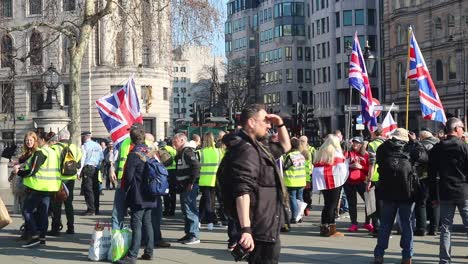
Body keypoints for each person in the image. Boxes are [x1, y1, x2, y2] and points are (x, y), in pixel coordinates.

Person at [218, 104, 291, 264]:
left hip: (267, 224)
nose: (268, 125)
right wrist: (246, 229)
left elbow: (285, 146)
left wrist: (280, 124)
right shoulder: (246, 150)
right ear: (251, 122)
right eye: (265, 121)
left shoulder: (259, 147)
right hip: (259, 227)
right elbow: (242, 191)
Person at [373, 128, 427, 264]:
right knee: (407, 224)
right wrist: (415, 142)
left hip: (387, 193)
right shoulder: (410, 148)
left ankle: (379, 255)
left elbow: (378, 162)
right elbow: (424, 157)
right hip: (407, 193)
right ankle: (407, 256)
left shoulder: (383, 148)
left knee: (385, 225)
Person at [428, 117, 468, 264]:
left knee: (445, 228)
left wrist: (433, 196)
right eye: (462, 127)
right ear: (456, 129)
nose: (463, 130)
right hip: (463, 191)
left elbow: (431, 175)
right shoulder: (463, 146)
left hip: (444, 192)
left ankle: (444, 260)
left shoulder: (437, 148)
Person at [13, 132, 61, 247]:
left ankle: (35, 235)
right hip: (50, 187)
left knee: (27, 210)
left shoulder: (41, 152)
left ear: (41, 141)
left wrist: (18, 172)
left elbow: (32, 171)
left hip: (39, 186)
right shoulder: (53, 152)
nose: (35, 142)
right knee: (43, 213)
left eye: (37, 140)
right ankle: (42, 238)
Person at [117, 126, 157, 264]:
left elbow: (128, 176)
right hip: (151, 192)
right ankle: (149, 251)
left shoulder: (134, 154)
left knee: (136, 223)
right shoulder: (151, 151)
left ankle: (132, 255)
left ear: (131, 139)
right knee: (148, 222)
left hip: (138, 193)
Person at [312, 135, 348, 237]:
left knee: (327, 204)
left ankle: (324, 227)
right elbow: (343, 168)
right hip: (334, 180)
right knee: (332, 205)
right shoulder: (337, 153)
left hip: (323, 181)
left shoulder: (321, 152)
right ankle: (332, 229)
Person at [49, 129, 83, 235]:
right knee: (69, 204)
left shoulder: (54, 148)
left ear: (59, 138)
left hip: (58, 180)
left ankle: (56, 228)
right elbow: (78, 164)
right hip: (71, 179)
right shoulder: (76, 148)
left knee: (56, 204)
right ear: (68, 137)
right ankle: (71, 227)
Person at [172, 132, 201, 245]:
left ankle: (194, 235)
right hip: (184, 185)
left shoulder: (187, 152)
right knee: (186, 210)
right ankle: (189, 233)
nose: (174, 145)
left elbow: (196, 166)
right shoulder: (182, 152)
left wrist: (191, 182)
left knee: (190, 209)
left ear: (182, 141)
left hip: (189, 186)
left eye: (176, 142)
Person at [344, 137, 373, 233]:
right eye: (354, 142)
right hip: (349, 182)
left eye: (357, 143)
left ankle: (367, 222)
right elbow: (341, 165)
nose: (355, 144)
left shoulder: (365, 155)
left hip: (361, 181)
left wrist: (361, 167)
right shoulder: (348, 153)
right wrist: (349, 166)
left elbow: (370, 169)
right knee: (352, 203)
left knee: (369, 202)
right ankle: (354, 223)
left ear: (361, 144)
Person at [414, 128, 439, 236]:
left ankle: (421, 229)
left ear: (422, 137)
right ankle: (434, 229)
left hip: (423, 176)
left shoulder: (420, 145)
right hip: (438, 177)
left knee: (421, 203)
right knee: (435, 203)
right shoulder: (440, 144)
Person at [198, 132, 222, 230]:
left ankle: (200, 220)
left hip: (203, 180)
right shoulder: (219, 152)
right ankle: (209, 221)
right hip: (215, 179)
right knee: (209, 201)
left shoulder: (200, 152)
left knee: (205, 200)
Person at [366, 125, 386, 236]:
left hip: (375, 177)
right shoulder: (386, 143)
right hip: (386, 177)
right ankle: (384, 228)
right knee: (382, 204)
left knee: (373, 205)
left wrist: (369, 179)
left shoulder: (372, 144)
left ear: (373, 132)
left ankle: (377, 229)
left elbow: (372, 163)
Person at [283, 137, 307, 224]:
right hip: (301, 181)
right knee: (300, 199)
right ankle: (300, 216)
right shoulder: (301, 155)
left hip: (292, 181)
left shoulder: (290, 156)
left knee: (292, 198)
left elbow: (285, 167)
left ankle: (294, 216)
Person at [79, 131, 104, 216]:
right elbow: (101, 157)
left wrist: (79, 171)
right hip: (96, 168)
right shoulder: (98, 145)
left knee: (88, 189)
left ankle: (91, 209)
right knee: (95, 189)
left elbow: (83, 159)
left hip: (88, 167)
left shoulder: (84, 146)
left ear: (84, 137)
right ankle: (96, 209)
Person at [160, 141, 178, 217]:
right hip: (173, 172)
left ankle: (166, 210)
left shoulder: (161, 149)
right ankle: (172, 210)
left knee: (166, 192)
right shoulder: (173, 150)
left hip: (165, 172)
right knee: (173, 192)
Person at [299, 136, 314, 216]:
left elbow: (315, 160)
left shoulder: (311, 150)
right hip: (304, 175)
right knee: (304, 193)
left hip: (307, 175)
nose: (302, 143)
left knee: (306, 193)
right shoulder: (297, 150)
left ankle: (306, 207)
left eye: (303, 141)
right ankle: (305, 208)